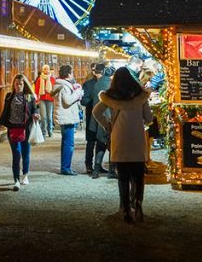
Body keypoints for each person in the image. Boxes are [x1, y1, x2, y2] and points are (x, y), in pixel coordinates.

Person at [93, 67, 153, 224]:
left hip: (119, 138)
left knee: (123, 176)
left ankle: (126, 209)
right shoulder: (140, 97)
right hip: (137, 139)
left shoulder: (111, 97)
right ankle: (138, 204)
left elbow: (96, 112)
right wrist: (140, 122)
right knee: (138, 175)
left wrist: (108, 125)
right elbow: (149, 117)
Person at [0, 74, 40, 191]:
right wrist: (1, 123)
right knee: (16, 154)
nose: (18, 86)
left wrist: (35, 114)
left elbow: (34, 109)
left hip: (25, 129)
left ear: (24, 85)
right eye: (16, 84)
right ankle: (16, 180)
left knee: (25, 154)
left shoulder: (29, 97)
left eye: (20, 84)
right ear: (13, 85)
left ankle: (25, 174)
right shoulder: (9, 96)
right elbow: (5, 111)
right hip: (12, 129)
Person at [82, 62, 113, 177]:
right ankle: (91, 166)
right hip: (98, 117)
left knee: (99, 143)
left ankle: (96, 168)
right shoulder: (91, 84)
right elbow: (83, 101)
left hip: (96, 117)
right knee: (94, 143)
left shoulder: (97, 84)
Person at [52, 64, 83, 175]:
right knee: (68, 144)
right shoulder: (64, 86)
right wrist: (78, 92)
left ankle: (65, 166)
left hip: (65, 116)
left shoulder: (60, 84)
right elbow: (68, 100)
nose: (72, 74)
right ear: (68, 74)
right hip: (67, 117)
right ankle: (66, 167)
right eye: (72, 72)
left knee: (66, 143)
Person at [34, 65, 56, 138]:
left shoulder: (52, 79)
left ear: (49, 70)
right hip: (42, 99)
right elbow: (36, 91)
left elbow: (54, 89)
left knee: (49, 116)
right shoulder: (39, 79)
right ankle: (43, 132)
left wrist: (54, 98)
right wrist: (37, 99)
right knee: (43, 117)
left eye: (47, 69)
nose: (46, 70)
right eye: (45, 69)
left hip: (50, 99)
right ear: (42, 70)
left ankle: (50, 131)